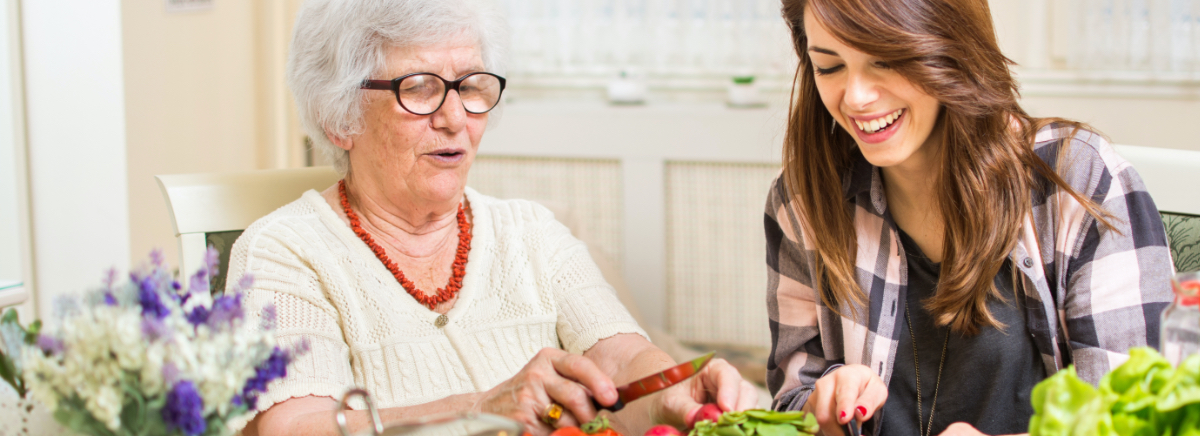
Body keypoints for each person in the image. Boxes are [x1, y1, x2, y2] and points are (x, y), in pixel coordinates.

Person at [227, 0, 759, 434]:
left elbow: (619, 359)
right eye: (418, 87)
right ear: (339, 116)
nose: (455, 118)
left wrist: (673, 391)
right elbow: (297, 427)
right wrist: (478, 409)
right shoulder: (285, 251)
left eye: (469, 86)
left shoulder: (532, 232)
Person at [763, 0, 1174, 435]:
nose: (856, 97)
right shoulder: (803, 200)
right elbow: (791, 401)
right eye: (829, 67)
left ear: (951, 46)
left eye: (886, 60)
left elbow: (1137, 420)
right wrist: (821, 407)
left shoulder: (1079, 181)